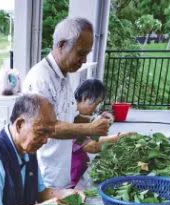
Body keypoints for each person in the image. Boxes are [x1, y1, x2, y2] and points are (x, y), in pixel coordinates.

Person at [24, 17, 112, 189]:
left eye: (86, 54)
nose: (84, 60)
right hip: (44, 177)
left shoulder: (64, 77)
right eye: (81, 53)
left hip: (61, 173)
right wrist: (90, 129)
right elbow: (46, 127)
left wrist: (93, 121)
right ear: (61, 45)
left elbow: (69, 119)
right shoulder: (40, 79)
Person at [70, 78, 130, 188]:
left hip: (79, 171)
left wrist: (103, 123)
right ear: (86, 98)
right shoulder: (70, 118)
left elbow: (86, 138)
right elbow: (92, 146)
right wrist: (120, 138)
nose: (96, 108)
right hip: (69, 177)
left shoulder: (80, 116)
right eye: (96, 103)